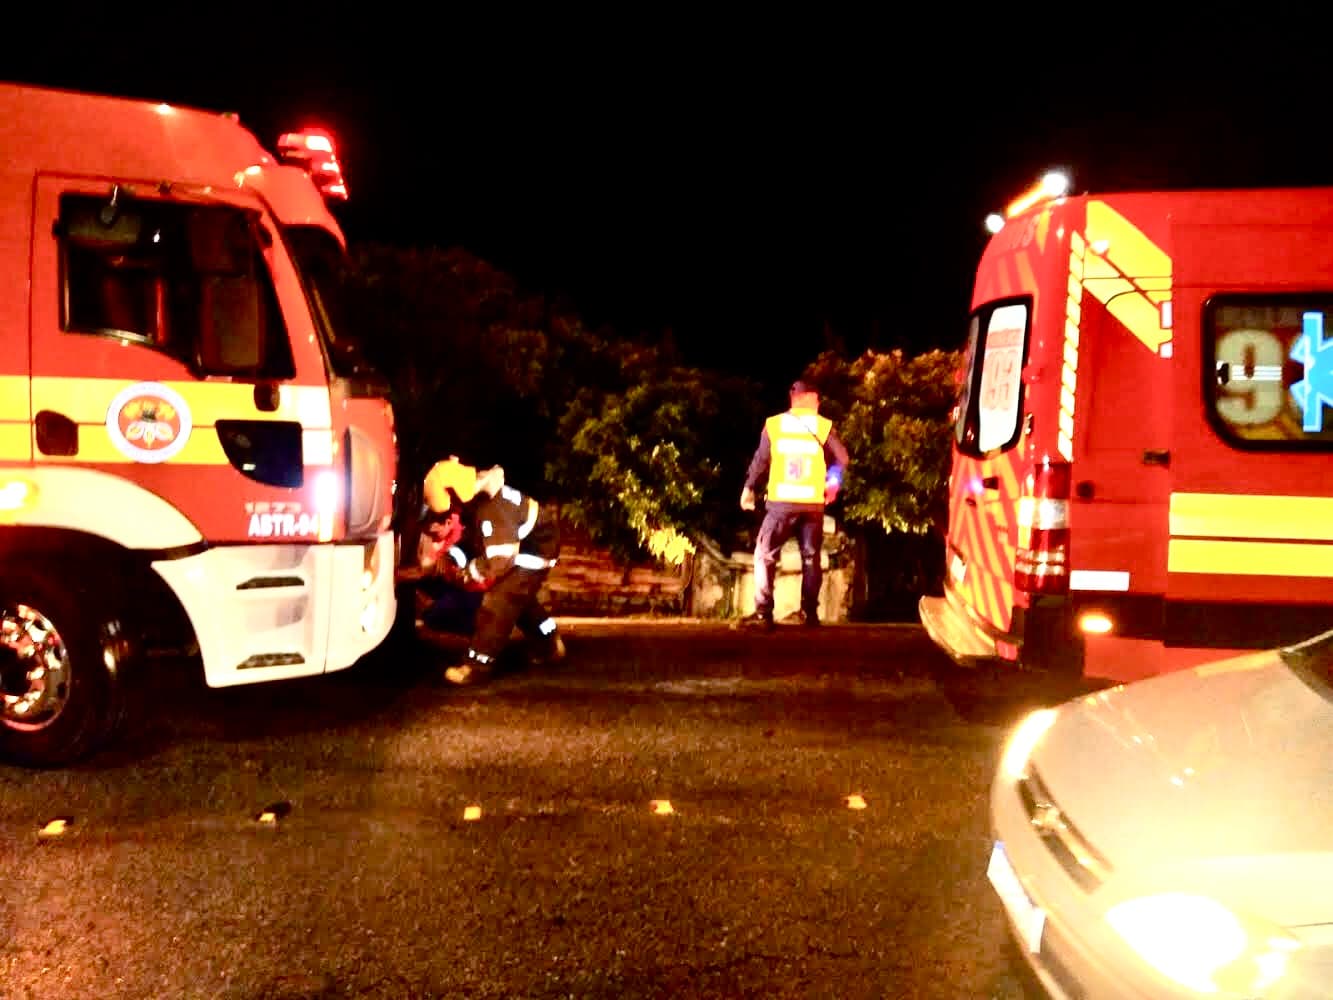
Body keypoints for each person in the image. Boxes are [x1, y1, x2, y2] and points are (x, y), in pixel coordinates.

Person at [421, 455, 565, 685]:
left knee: (498, 602)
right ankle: (550, 643)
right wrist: (451, 556)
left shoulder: (493, 511)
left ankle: (477, 665)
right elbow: (473, 540)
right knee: (520, 599)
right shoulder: (483, 504)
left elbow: (499, 561)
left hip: (534, 553)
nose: (452, 511)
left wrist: (468, 573)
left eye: (452, 503)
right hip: (532, 546)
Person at [739, 380, 849, 630]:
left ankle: (764, 614)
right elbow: (842, 459)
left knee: (765, 555)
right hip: (812, 505)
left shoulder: (774, 425)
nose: (819, 404)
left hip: (782, 504)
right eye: (817, 399)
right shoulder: (823, 426)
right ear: (805, 398)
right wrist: (833, 484)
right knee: (811, 558)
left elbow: (761, 460)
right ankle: (810, 615)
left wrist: (748, 488)